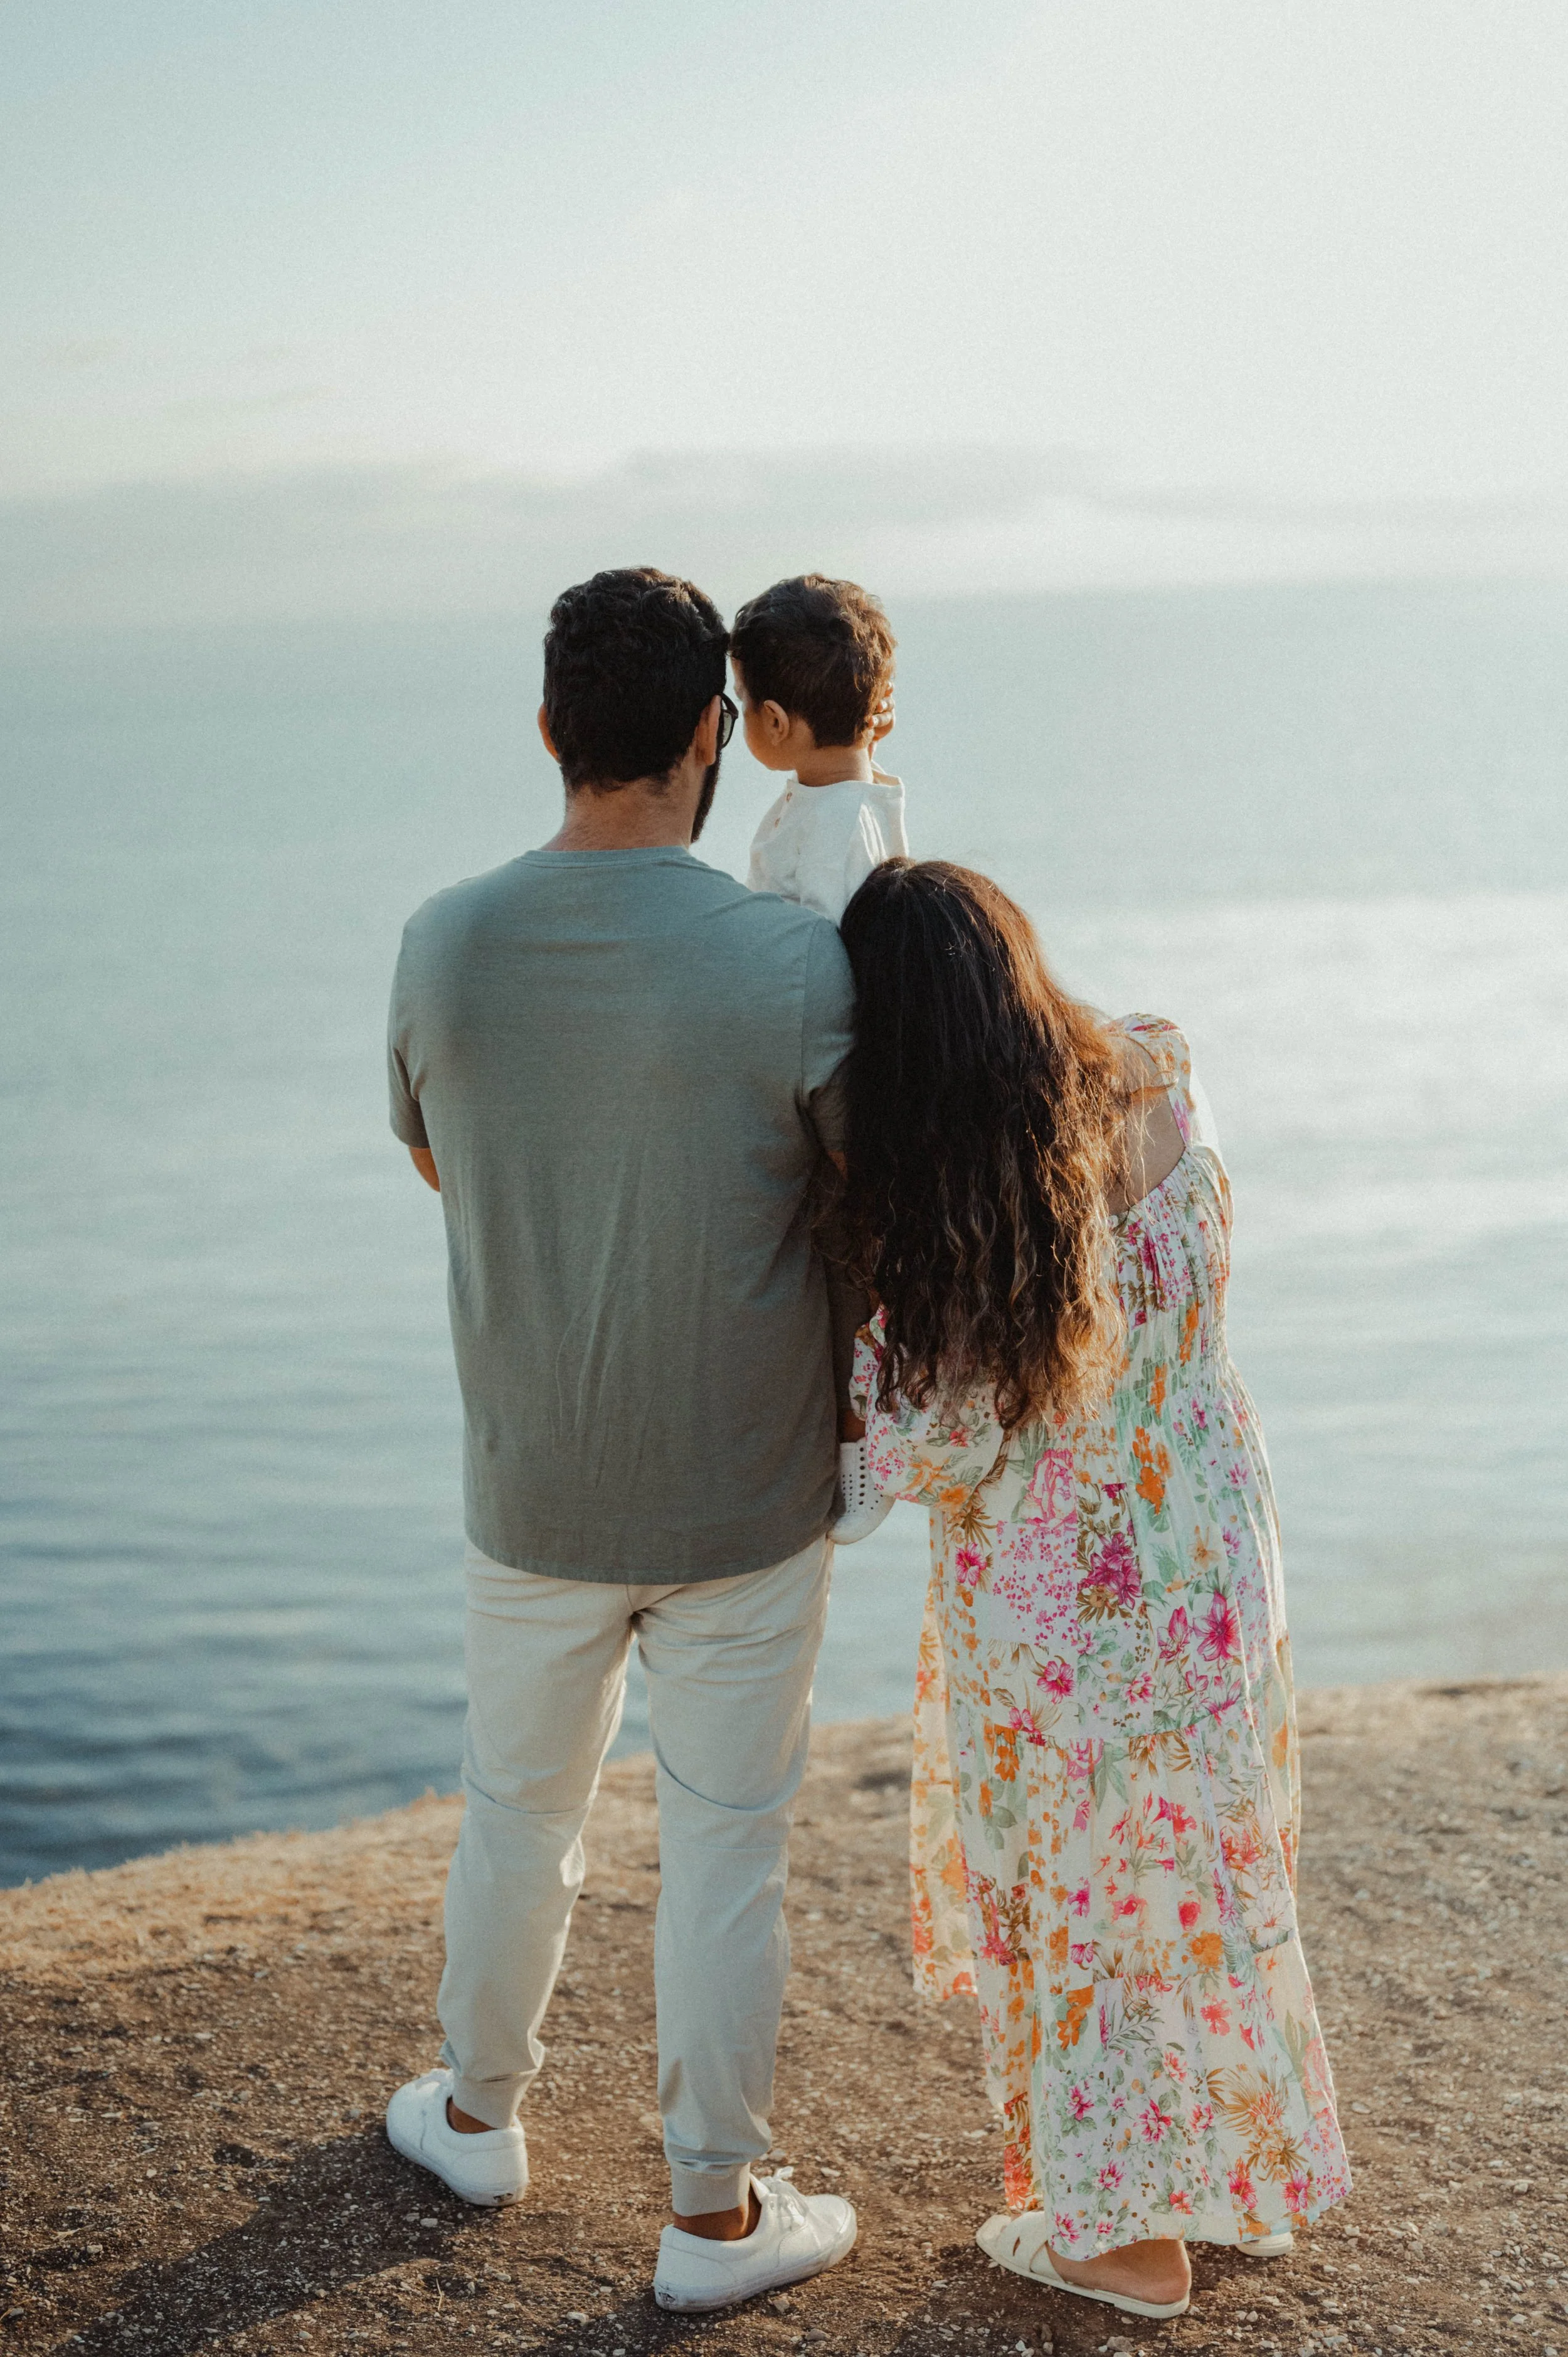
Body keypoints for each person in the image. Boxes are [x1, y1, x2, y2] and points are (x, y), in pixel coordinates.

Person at [382, 568, 858, 2314]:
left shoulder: (443, 940)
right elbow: (852, 1183)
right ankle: (712, 2219)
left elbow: (439, 1157)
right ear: (716, 733)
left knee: (519, 1813)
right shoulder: (790, 958)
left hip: (534, 1489)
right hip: (747, 1489)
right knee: (728, 1838)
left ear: (545, 732)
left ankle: (478, 2111)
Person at [836, 860, 1351, 2329]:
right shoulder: (1155, 1074)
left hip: (1064, 1607)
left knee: (1081, 1903)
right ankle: (1220, 2165)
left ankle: (1120, 2239)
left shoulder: (970, 1207)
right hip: (1205, 1545)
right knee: (1196, 1867)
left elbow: (918, 1460)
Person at [731, 573, 906, 1542]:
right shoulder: (848, 798)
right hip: (827, 1061)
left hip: (836, 1072)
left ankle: (857, 1445)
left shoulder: (834, 826)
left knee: (848, 1275)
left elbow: (831, 959)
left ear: (771, 720)